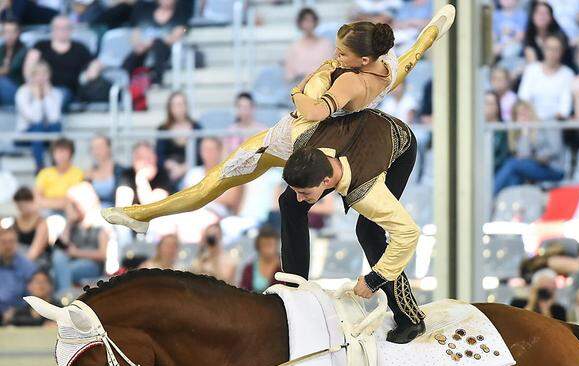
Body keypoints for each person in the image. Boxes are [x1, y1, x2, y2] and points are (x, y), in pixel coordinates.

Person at [102, 6, 456, 234]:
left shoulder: (350, 80)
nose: (335, 55)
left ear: (363, 60)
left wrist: (297, 90)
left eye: (342, 53)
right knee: (221, 184)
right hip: (327, 139)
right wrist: (439, 23)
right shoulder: (390, 67)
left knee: (214, 183)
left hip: (293, 138)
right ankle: (144, 215)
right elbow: (417, 50)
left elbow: (314, 111)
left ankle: (143, 215)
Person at [280, 108, 424, 344]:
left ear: (326, 182)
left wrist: (374, 279)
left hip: (398, 144)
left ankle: (410, 318)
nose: (300, 196)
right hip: (356, 132)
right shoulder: (302, 135)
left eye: (305, 192)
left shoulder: (366, 192)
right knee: (288, 203)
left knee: (368, 230)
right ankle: (297, 293)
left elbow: (409, 233)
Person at [22, 16, 102, 105]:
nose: (62, 31)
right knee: (24, 94)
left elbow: (95, 62)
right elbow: (29, 65)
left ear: (71, 30)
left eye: (66, 27)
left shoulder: (79, 48)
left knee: (53, 99)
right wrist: (32, 83)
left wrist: (92, 71)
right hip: (39, 86)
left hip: (65, 90)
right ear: (52, 29)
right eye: (58, 28)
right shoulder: (41, 46)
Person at [493, 100, 565, 195]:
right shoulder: (520, 134)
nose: (524, 116)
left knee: (512, 164)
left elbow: (556, 149)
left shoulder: (546, 124)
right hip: (534, 166)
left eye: (526, 112)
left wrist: (538, 157)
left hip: (553, 168)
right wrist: (525, 133)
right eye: (520, 114)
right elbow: (524, 155)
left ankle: (489, 196)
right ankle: (510, 206)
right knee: (514, 177)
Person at [52, 184, 108, 294]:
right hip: (71, 263)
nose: (72, 208)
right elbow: (59, 246)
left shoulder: (100, 224)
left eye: (74, 204)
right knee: (58, 257)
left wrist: (77, 253)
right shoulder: (74, 224)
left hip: (92, 265)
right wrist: (69, 222)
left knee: (59, 272)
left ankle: (64, 297)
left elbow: (103, 254)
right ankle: (66, 295)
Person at [122, 0, 188, 84]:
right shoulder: (146, 12)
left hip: (164, 49)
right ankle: (125, 77)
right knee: (136, 53)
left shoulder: (180, 15)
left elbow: (184, 30)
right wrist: (141, 43)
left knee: (158, 44)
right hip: (144, 48)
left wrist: (154, 42)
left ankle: (157, 78)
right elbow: (135, 31)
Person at [15, 61, 63, 171]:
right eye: (37, 74)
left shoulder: (55, 93)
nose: (40, 78)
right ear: (31, 76)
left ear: (49, 76)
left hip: (49, 131)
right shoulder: (22, 92)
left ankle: (56, 165)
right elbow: (34, 118)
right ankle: (40, 167)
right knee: (38, 127)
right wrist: (37, 98)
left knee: (56, 126)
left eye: (44, 74)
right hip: (26, 133)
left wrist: (47, 96)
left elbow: (54, 118)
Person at [182, 137, 244, 218]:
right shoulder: (193, 173)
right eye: (205, 149)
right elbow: (185, 198)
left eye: (211, 149)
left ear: (220, 151)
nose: (208, 153)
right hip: (193, 214)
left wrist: (198, 195)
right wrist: (213, 195)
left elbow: (231, 200)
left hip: (220, 217)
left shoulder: (231, 173)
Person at [518, 34, 575, 121]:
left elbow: (565, 104)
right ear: (544, 49)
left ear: (562, 51)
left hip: (556, 124)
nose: (552, 52)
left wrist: (560, 115)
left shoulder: (568, 74)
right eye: (549, 48)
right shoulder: (532, 69)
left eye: (556, 49)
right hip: (531, 121)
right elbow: (523, 96)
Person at [156, 91, 202, 186]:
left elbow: (201, 154)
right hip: (169, 171)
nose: (178, 108)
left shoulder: (196, 127)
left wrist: (183, 168)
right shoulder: (162, 128)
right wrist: (171, 166)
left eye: (180, 104)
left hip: (192, 169)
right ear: (169, 108)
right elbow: (159, 155)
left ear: (186, 106)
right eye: (174, 105)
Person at [115, 141, 173, 209]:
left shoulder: (162, 174)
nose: (146, 162)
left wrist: (141, 178)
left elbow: (153, 208)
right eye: (140, 158)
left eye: (148, 157)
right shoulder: (127, 175)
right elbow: (121, 207)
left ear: (155, 158)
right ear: (134, 160)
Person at [284, 7, 335, 83]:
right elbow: (289, 75)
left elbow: (333, 67)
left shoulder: (326, 45)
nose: (308, 24)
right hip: (301, 87)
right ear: (300, 23)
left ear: (315, 22)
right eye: (305, 21)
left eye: (311, 21)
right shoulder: (294, 47)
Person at [34, 138, 84, 212]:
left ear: (71, 153)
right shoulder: (44, 173)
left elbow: (76, 199)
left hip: (70, 212)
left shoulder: (79, 173)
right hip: (47, 210)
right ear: (53, 154)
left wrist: (48, 201)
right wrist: (63, 203)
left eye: (64, 152)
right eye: (58, 152)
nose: (61, 155)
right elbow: (37, 199)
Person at [0, 227, 36, 322]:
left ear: (17, 244)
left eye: (11, 242)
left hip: (19, 315)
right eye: (3, 242)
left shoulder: (28, 267)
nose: (8, 246)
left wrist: (16, 310)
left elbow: (32, 296)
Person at [523, 2, 574, 69]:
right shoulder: (529, 36)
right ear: (532, 16)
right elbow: (532, 65)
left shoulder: (560, 36)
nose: (542, 17)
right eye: (539, 13)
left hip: (560, 70)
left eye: (545, 13)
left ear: (551, 17)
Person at [11, 187, 49, 264]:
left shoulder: (41, 223)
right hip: (18, 259)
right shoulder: (15, 222)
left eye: (23, 206)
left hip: (37, 261)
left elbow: (34, 252)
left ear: (31, 202)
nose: (21, 209)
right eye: (19, 206)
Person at [85, 135, 124, 208]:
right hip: (93, 213)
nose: (96, 151)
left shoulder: (120, 171)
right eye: (93, 148)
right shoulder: (89, 173)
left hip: (114, 212)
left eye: (100, 147)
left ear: (109, 148)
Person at [239, 226, 280, 293]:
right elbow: (243, 292)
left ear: (276, 246)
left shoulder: (284, 268)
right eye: (264, 245)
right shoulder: (249, 269)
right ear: (258, 246)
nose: (267, 249)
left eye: (270, 245)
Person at [0, 19, 26, 106]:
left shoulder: (24, 49)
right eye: (6, 32)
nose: (9, 35)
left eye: (12, 31)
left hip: (17, 89)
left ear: (18, 33)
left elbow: (9, 69)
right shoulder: (2, 48)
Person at [485, 91, 510, 172]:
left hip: (497, 169)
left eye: (491, 104)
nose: (488, 107)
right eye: (486, 103)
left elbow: (503, 156)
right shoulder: (474, 127)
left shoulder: (503, 128)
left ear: (497, 106)